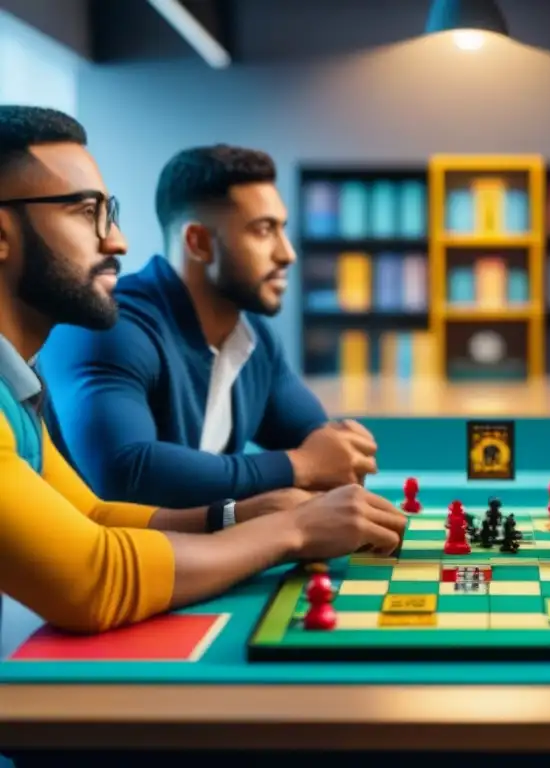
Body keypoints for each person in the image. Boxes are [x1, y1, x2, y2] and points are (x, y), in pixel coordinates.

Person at [0, 105, 407, 636]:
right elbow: (94, 577)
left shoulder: (16, 387)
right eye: (84, 212)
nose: (118, 241)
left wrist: (244, 515)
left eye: (110, 213)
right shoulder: (114, 329)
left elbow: (94, 515)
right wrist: (293, 530)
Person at [38, 144, 377, 508]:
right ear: (198, 243)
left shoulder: (256, 339)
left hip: (193, 559)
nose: (287, 253)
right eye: (263, 231)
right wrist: (298, 466)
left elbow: (320, 445)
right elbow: (125, 472)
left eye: (283, 229)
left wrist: (337, 449)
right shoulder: (108, 326)